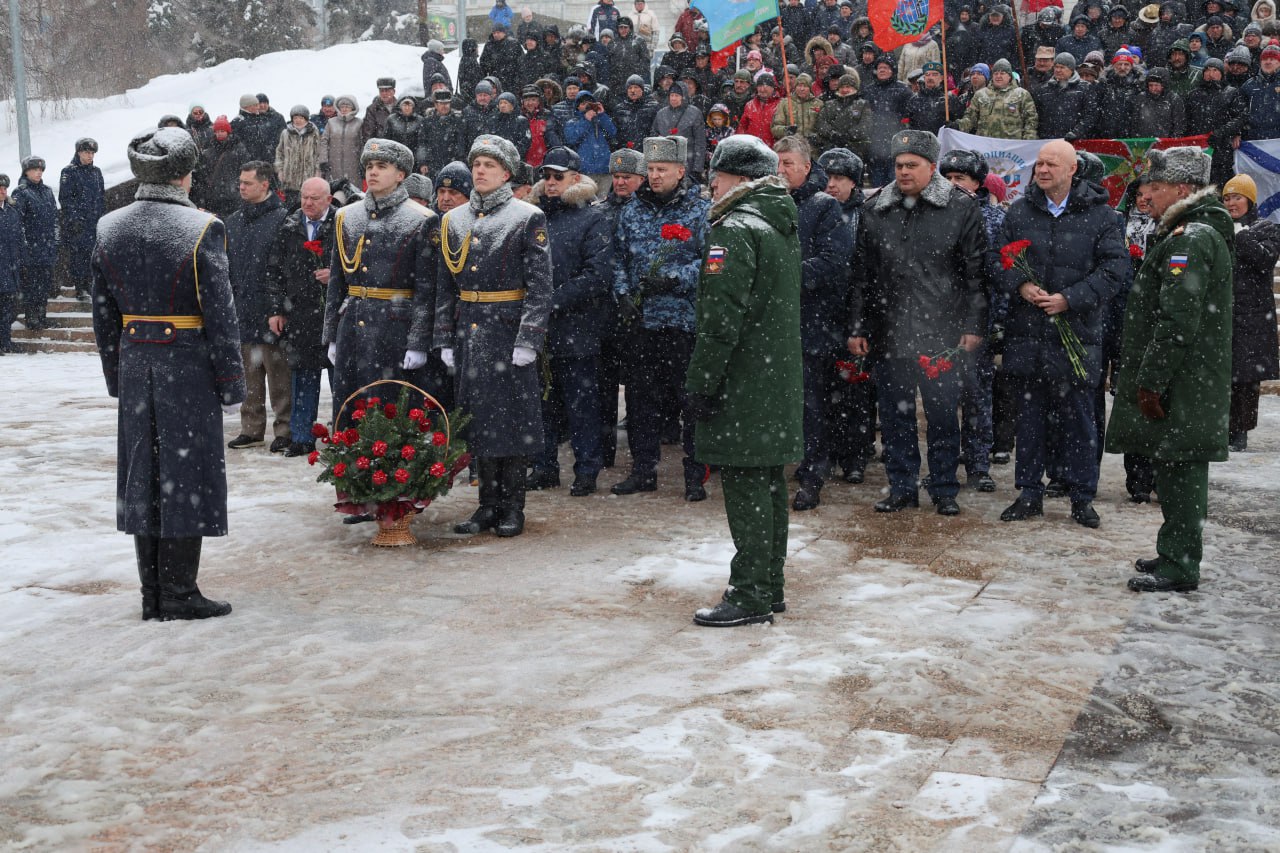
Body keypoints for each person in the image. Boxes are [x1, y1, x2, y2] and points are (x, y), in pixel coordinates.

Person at [91, 127, 244, 621]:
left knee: (144, 476)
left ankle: (151, 592)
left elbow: (102, 312)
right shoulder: (202, 227)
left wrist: (117, 373)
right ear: (184, 174)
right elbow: (220, 313)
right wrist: (230, 380)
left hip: (137, 360)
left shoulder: (109, 226)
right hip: (187, 364)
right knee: (186, 473)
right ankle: (179, 591)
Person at [686, 135, 803, 628]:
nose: (712, 184)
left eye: (718, 174)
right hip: (774, 376)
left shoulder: (734, 229)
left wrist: (702, 381)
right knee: (769, 484)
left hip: (743, 380)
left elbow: (720, 318)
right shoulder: (777, 224)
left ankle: (751, 592)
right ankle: (768, 585)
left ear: (737, 178)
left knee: (747, 487)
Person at [1107, 147, 1233, 593]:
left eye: (1155, 188)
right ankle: (1172, 550)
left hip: (1184, 378)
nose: (1147, 197)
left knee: (1181, 469)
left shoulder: (1190, 239)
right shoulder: (1188, 232)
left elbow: (1177, 320)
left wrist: (1152, 380)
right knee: (1172, 465)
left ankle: (1180, 565)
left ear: (1182, 190)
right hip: (1188, 375)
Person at [847, 130, 987, 516]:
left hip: (941, 332)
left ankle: (943, 487)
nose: (903, 172)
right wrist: (857, 327)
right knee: (895, 415)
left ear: (931, 167)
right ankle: (902, 485)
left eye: (912, 165)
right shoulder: (875, 209)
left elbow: (976, 273)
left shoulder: (960, 208)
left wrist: (973, 325)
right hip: (889, 330)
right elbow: (861, 274)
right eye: (898, 165)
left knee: (942, 415)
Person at [995, 140, 1127, 529]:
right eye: (1039, 163)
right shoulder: (1019, 212)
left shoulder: (1102, 217)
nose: (1043, 170)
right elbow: (999, 257)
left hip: (1076, 334)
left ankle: (1082, 497)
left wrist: (1070, 299)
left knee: (1080, 422)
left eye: (1052, 164)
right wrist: (1020, 285)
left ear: (1072, 170)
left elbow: (1114, 271)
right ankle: (1029, 493)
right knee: (1030, 419)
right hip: (1029, 334)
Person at [435, 135, 553, 538]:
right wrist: (444, 338)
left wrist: (529, 338)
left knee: (512, 421)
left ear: (506, 173)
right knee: (478, 419)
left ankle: (512, 506)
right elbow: (444, 288)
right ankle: (486, 504)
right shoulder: (454, 220)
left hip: (508, 329)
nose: (480, 171)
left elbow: (540, 286)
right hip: (469, 330)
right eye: (476, 164)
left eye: (489, 165)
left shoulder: (526, 216)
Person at [611, 136, 711, 500]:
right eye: (651, 170)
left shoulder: (700, 210)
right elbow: (618, 259)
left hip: (682, 321)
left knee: (689, 401)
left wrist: (674, 277)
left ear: (680, 171)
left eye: (661, 170)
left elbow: (711, 262)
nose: (654, 176)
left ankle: (694, 474)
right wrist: (622, 294)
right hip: (642, 322)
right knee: (640, 400)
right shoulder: (632, 211)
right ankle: (643, 469)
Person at [323, 138, 442, 445]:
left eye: (382, 167)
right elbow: (337, 281)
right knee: (349, 410)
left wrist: (418, 342)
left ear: (401, 174)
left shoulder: (421, 220)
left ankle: (393, 489)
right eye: (369, 167)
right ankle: (351, 484)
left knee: (393, 410)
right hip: (353, 325)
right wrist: (332, 334)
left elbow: (426, 289)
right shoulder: (346, 216)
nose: (372, 173)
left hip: (395, 330)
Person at [525, 147, 612, 495]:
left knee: (581, 406)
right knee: (542, 404)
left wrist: (552, 301)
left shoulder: (593, 218)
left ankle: (587, 470)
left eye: (557, 177)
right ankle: (544, 467)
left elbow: (598, 275)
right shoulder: (534, 217)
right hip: (539, 329)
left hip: (577, 327)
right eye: (546, 176)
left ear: (575, 179)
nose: (550, 182)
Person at [775, 136, 852, 511]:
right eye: (777, 162)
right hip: (774, 321)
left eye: (788, 163)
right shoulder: (768, 204)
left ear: (807, 168)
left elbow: (834, 262)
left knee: (812, 403)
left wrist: (784, 275)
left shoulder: (824, 207)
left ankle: (813, 473)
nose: (781, 169)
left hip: (811, 321)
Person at [939, 149, 1005, 493]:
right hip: (936, 322)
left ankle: (979, 464)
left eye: (960, 179)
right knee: (942, 400)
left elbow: (999, 274)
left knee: (977, 397)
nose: (952, 185)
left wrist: (996, 322)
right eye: (947, 178)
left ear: (977, 184)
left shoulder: (993, 220)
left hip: (977, 322)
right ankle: (944, 465)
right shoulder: (931, 214)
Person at [265, 177, 337, 457]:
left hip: (332, 315)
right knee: (302, 376)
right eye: (305, 197)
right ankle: (302, 435)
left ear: (328, 200)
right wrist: (275, 309)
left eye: (314, 199)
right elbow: (274, 272)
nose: (307, 203)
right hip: (300, 314)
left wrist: (335, 276)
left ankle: (343, 435)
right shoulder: (289, 227)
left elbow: (357, 265)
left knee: (337, 377)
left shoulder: (342, 225)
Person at [817, 148, 875, 483]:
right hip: (821, 314)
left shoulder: (866, 215)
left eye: (839, 178)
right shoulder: (814, 210)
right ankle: (825, 453)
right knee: (823, 391)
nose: (832, 185)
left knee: (855, 390)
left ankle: (855, 455)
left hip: (854, 314)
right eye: (828, 178)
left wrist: (860, 320)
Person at [225, 162, 290, 452]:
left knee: (279, 378)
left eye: (247, 182)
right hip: (241, 309)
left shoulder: (283, 219)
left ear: (264, 185)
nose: (241, 187)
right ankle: (251, 428)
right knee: (248, 378)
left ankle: (285, 429)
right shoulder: (233, 221)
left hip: (271, 311)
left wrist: (280, 307)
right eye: (240, 181)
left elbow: (286, 269)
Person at [1220, 174, 1280, 452]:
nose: (1231, 203)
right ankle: (1222, 427)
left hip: (1252, 316)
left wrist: (1241, 236)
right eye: (1227, 198)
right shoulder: (1219, 229)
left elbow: (1265, 259)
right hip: (1223, 313)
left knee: (1245, 378)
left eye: (1237, 197)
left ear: (1250, 200)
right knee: (1222, 374)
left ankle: (1240, 431)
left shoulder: (1265, 228)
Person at [596, 148, 646, 468]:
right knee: (603, 386)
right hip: (605, 309)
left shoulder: (646, 212)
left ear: (641, 179)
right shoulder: (599, 211)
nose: (620, 182)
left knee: (639, 386)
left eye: (627, 176)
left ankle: (642, 457)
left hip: (637, 308)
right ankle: (604, 451)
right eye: (616, 176)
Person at [11, 155, 58, 332]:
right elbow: (17, 223)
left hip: (47, 248)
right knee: (32, 286)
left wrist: (56, 241)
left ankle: (42, 316)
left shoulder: (46, 191)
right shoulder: (21, 192)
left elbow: (54, 219)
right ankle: (32, 318)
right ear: (26, 171)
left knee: (44, 285)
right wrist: (24, 248)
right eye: (34, 170)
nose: (38, 172)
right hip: (31, 249)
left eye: (41, 170)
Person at [58, 138, 105, 300]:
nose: (90, 155)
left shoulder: (96, 172)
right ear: (78, 152)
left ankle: (91, 285)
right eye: (86, 152)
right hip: (78, 224)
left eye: (92, 153)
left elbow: (101, 198)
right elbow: (65, 199)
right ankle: (80, 288)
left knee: (93, 256)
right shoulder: (69, 172)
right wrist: (74, 219)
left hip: (94, 222)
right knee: (79, 256)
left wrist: (101, 218)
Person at [274, 106, 322, 206]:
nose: (298, 120)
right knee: (290, 207)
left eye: (301, 118)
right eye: (295, 118)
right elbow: (279, 152)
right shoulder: (285, 133)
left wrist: (318, 170)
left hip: (308, 176)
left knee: (307, 204)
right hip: (290, 178)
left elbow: (318, 153)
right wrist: (280, 170)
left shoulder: (313, 132)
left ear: (306, 119)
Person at [319, 95, 364, 184]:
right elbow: (324, 141)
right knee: (334, 193)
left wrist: (363, 162)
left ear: (353, 108)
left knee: (353, 193)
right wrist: (323, 160)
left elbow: (363, 143)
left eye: (347, 107)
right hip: (333, 166)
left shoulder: (359, 123)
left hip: (353, 166)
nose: (344, 109)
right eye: (342, 106)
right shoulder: (331, 122)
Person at [0, 175, 19, 354]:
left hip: (9, 269)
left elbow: (17, 241)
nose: (3, 191)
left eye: (5, 188)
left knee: (7, 310)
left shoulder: (11, 212)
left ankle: (6, 341)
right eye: (0, 189)